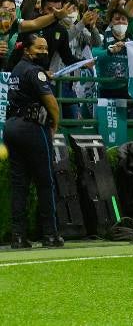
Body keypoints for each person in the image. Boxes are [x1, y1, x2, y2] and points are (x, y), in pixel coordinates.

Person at [4, 34, 64, 249]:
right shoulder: (35, 72)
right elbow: (51, 103)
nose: (44, 52)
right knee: (45, 181)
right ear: (27, 50)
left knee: (19, 185)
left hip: (11, 126)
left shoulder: (18, 69)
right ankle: (50, 235)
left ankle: (18, 237)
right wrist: (54, 125)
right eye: (39, 48)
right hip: (31, 127)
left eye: (46, 48)